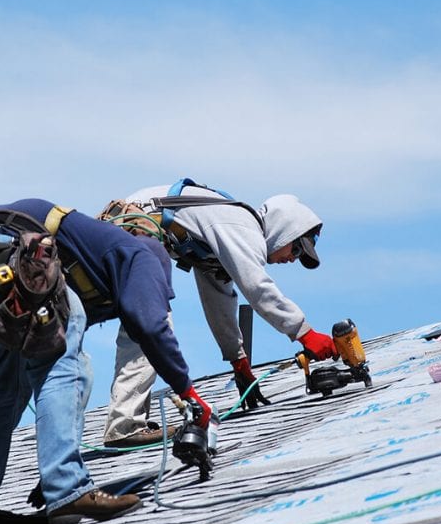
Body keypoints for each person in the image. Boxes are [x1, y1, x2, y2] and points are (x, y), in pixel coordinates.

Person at [0, 199, 213, 524]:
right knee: (65, 365)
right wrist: (189, 393)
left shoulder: (89, 261)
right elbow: (149, 324)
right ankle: (67, 487)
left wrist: (56, 455)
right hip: (9, 253)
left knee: (3, 393)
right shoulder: (144, 255)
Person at [100, 181, 335, 448]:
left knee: (146, 326)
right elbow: (258, 288)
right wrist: (305, 333)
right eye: (296, 249)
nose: (292, 259)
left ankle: (128, 421)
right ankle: (125, 426)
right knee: (153, 325)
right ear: (283, 231)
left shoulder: (228, 237)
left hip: (128, 237)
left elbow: (218, 300)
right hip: (130, 234)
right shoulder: (242, 227)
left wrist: (238, 360)